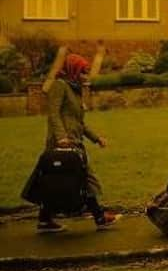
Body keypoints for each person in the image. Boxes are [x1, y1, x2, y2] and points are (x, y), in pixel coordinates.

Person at [22, 54, 120, 233]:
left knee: (58, 180)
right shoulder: (60, 86)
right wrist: (61, 138)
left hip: (74, 142)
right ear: (74, 71)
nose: (85, 76)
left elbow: (78, 123)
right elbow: (53, 113)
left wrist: (96, 138)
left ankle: (45, 220)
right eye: (83, 72)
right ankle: (99, 217)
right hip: (62, 144)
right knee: (80, 178)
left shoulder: (75, 90)